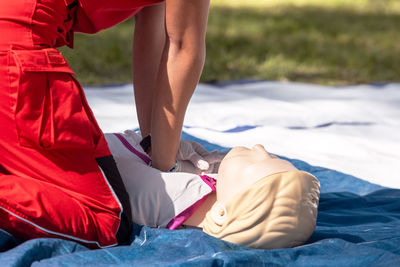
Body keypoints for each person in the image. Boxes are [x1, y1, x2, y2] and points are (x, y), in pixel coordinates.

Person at [0, 0, 210, 248]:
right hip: (15, 58)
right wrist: (166, 167)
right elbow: (184, 46)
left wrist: (152, 145)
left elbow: (152, 20)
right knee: (108, 224)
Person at [106, 130, 320, 249]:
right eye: (272, 156)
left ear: (220, 213)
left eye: (256, 162)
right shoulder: (225, 194)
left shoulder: (168, 197)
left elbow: (111, 165)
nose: (260, 148)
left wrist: (152, 147)